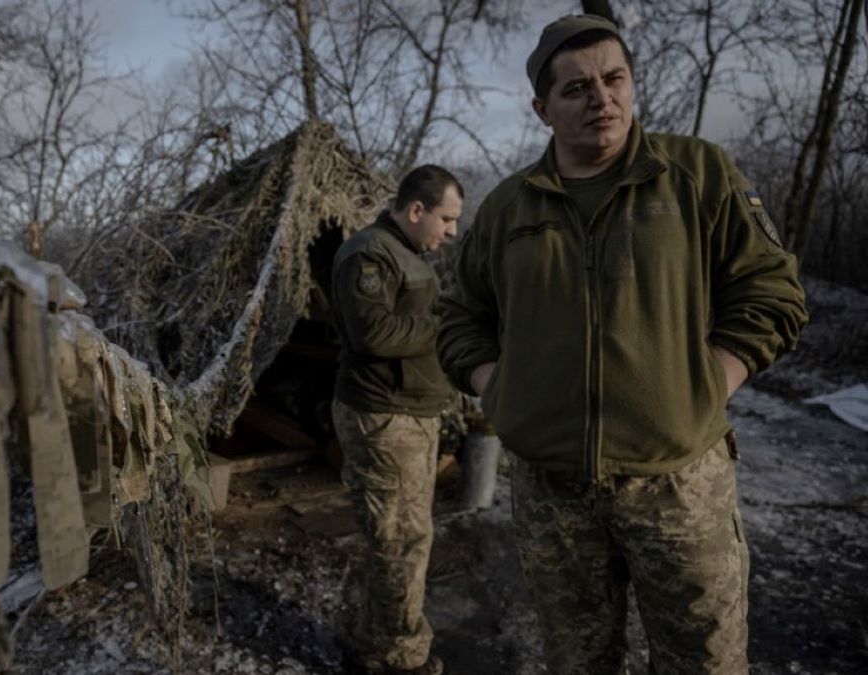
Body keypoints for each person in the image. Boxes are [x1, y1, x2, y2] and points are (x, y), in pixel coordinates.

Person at [437, 14, 807, 675]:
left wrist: (710, 381)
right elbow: (459, 316)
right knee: (578, 661)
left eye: (615, 79)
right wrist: (498, 385)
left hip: (678, 484)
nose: (601, 99)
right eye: (576, 88)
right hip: (554, 495)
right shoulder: (509, 209)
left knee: (705, 662)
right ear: (542, 107)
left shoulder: (695, 174)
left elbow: (772, 289)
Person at [329, 164, 462, 675]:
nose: (451, 231)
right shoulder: (368, 253)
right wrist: (445, 322)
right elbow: (375, 334)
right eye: (446, 219)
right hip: (384, 418)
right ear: (416, 210)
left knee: (403, 538)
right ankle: (398, 659)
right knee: (400, 543)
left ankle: (378, 638)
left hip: (411, 414)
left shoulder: (407, 252)